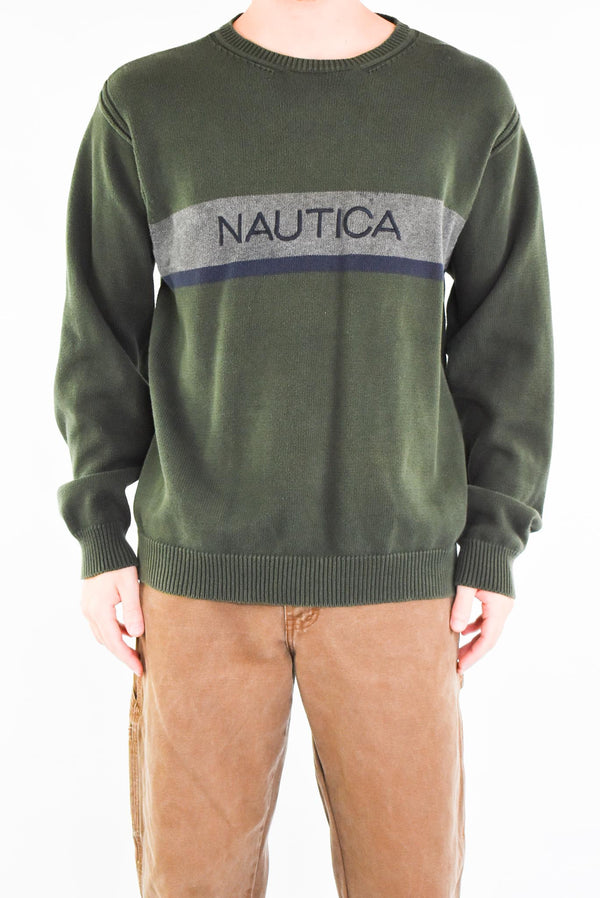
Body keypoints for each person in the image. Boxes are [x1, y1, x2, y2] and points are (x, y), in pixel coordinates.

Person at [53, 1, 554, 895]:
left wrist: (494, 542)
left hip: (398, 579)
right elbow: (100, 332)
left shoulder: (465, 102)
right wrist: (99, 535)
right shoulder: (148, 103)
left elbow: (507, 344)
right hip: (197, 580)